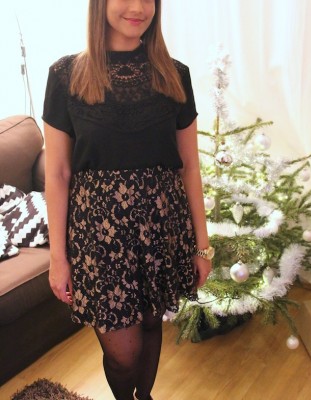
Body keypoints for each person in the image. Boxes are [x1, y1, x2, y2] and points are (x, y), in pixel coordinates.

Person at [42, 1, 213, 399]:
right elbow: (58, 174)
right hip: (98, 238)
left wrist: (202, 246)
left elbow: (189, 166)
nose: (138, 8)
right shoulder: (66, 75)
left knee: (152, 325)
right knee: (122, 355)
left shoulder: (175, 75)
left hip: (162, 229)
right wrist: (57, 257)